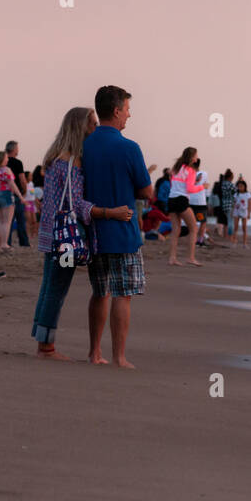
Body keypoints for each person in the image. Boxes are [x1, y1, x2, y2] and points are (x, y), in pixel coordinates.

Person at [32, 107, 111, 361]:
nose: (96, 128)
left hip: (51, 233)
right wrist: (104, 212)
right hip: (66, 237)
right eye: (93, 123)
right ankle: (46, 348)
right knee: (57, 288)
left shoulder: (56, 158)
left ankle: (42, 339)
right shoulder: (73, 163)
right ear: (81, 127)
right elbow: (76, 203)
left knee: (48, 286)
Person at [82, 85, 153, 368]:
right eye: (126, 109)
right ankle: (119, 356)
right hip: (123, 231)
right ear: (115, 110)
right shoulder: (129, 147)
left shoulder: (84, 145)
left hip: (94, 230)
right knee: (123, 293)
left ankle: (94, 353)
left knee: (100, 291)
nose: (129, 115)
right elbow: (147, 192)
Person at [166, 148, 204, 266]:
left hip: (171, 199)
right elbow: (190, 189)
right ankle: (190, 258)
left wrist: (194, 183)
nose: (197, 158)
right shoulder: (191, 170)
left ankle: (172, 258)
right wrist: (202, 186)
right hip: (181, 200)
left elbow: (176, 183)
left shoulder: (176, 168)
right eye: (196, 156)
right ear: (191, 157)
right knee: (193, 229)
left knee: (176, 230)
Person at [0, 150, 25, 250]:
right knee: (7, 221)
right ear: (2, 159)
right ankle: (4, 244)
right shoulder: (6, 170)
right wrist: (21, 197)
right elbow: (12, 184)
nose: (7, 159)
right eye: (6, 157)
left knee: (0, 221)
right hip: (6, 194)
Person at [5, 140, 30, 248]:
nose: (18, 150)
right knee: (21, 220)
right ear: (14, 150)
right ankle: (24, 243)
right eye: (17, 148)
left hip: (4, 193)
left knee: (7, 221)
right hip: (16, 194)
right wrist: (23, 192)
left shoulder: (3, 162)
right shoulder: (18, 163)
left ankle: (7, 242)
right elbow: (23, 180)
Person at [190, 158, 210, 246]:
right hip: (200, 202)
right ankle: (200, 241)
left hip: (190, 201)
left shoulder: (188, 174)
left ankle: (193, 240)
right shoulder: (204, 174)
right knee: (202, 222)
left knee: (192, 222)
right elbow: (206, 187)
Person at [232, 179, 251, 246]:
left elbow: (249, 204)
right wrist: (232, 212)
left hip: (244, 211)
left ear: (245, 187)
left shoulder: (247, 194)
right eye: (239, 186)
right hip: (236, 211)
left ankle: (245, 243)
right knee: (235, 227)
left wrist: (249, 213)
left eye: (241, 186)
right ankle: (234, 242)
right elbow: (234, 203)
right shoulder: (236, 194)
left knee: (244, 228)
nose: (240, 188)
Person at [218, 170, 236, 242]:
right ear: (230, 177)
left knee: (228, 221)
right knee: (231, 222)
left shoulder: (222, 184)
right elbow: (237, 192)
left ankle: (228, 236)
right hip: (230, 204)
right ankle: (230, 237)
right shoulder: (230, 184)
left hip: (224, 204)